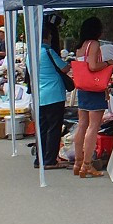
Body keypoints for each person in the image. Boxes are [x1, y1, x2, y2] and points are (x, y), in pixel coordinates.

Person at [72, 17, 113, 178]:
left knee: (82, 125)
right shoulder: (94, 44)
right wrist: (108, 63)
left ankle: (78, 162)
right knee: (93, 127)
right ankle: (87, 165)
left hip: (82, 87)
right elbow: (93, 66)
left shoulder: (80, 47)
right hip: (94, 87)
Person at [35, 22, 71, 170]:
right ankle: (50, 159)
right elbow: (64, 68)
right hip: (54, 94)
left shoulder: (31, 53)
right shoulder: (49, 52)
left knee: (42, 127)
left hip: (40, 94)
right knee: (54, 128)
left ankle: (40, 158)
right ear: (47, 37)